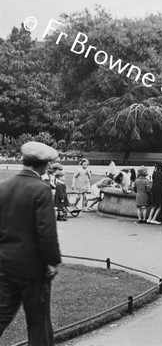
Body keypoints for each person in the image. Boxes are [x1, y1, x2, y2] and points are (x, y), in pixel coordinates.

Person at [0, 141, 62, 345]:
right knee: (38, 320)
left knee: (3, 313)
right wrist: (52, 261)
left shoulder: (4, 187)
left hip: (5, 262)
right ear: (44, 166)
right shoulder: (40, 189)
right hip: (33, 268)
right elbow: (46, 231)